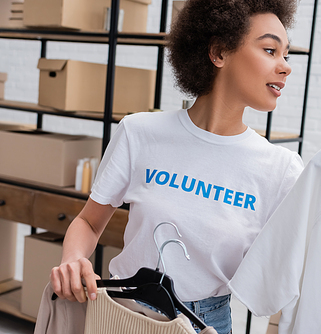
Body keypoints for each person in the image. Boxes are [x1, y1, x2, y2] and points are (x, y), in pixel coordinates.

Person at [49, 1, 303, 333]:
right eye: (270, 50)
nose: (285, 66)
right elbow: (89, 222)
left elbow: (289, 280)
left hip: (206, 323)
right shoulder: (140, 133)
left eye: (287, 55)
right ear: (219, 53)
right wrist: (73, 260)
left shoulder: (282, 170)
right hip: (121, 310)